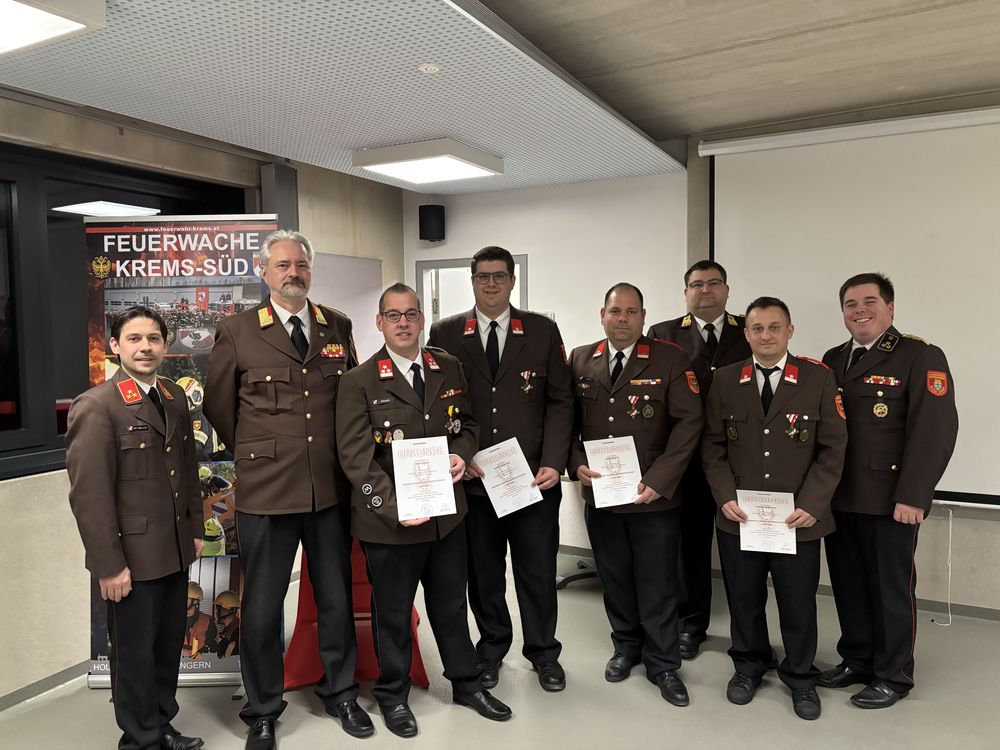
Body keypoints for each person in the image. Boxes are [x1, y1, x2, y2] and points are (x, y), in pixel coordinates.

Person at [204, 229, 371, 748]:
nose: (293, 272)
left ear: (310, 270)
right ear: (264, 271)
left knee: (335, 599)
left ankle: (340, 693)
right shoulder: (237, 331)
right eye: (283, 265)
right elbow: (218, 406)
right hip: (268, 491)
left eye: (301, 264)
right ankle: (263, 709)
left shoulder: (336, 325)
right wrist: (261, 449)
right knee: (261, 607)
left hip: (328, 489)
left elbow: (351, 399)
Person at [337, 283, 512, 738]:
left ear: (421, 320)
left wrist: (461, 454)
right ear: (379, 322)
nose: (403, 323)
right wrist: (394, 509)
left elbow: (467, 424)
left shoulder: (446, 367)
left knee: (452, 606)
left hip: (446, 517)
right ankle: (393, 695)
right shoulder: (358, 381)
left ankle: (467, 684)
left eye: (411, 314)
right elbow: (356, 459)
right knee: (393, 613)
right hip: (390, 524)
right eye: (393, 315)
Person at [427, 246, 573, 692]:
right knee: (484, 575)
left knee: (537, 572)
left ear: (512, 280)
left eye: (499, 276)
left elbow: (561, 401)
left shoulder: (542, 331)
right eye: (482, 276)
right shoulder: (446, 332)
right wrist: (461, 453)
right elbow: (439, 406)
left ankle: (543, 652)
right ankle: (491, 650)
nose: (491, 284)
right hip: (476, 482)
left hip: (532, 481)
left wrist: (554, 461)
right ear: (472, 281)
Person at [701, 297, 847, 720]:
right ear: (746, 334)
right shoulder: (726, 379)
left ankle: (800, 677)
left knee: (797, 601)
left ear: (790, 331)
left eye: (774, 327)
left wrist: (813, 504)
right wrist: (725, 496)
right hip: (741, 517)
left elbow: (833, 449)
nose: (766, 335)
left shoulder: (818, 378)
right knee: (744, 598)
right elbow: (712, 446)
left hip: (796, 520)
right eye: (757, 328)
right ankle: (748, 665)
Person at [66, 305, 204, 750]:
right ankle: (140, 739)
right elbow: (89, 497)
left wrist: (196, 530)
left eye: (153, 339)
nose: (145, 347)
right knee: (134, 654)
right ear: (115, 346)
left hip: (174, 548)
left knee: (166, 646)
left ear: (165, 345)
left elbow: (187, 469)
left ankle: (161, 725)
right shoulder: (97, 406)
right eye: (134, 339)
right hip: (131, 558)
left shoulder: (173, 395)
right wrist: (109, 566)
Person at [818, 273, 958, 708]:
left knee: (890, 591)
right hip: (839, 497)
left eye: (869, 302)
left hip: (890, 500)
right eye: (850, 304)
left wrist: (914, 495)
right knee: (848, 585)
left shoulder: (920, 355)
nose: (859, 310)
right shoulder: (832, 359)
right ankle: (857, 660)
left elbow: (935, 430)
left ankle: (893, 676)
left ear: (890, 308)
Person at [568, 282, 703, 707]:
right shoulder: (580, 359)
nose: (622, 319)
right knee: (615, 577)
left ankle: (662, 663)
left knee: (658, 581)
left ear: (643, 317)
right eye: (615, 311)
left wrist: (660, 480)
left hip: (653, 498)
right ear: (602, 315)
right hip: (602, 496)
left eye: (631, 312)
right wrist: (575, 463)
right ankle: (626, 646)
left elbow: (689, 424)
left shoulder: (670, 358)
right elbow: (566, 421)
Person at [646, 259, 751, 659]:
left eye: (713, 283)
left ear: (727, 289)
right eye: (697, 284)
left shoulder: (751, 330)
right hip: (687, 462)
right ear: (685, 292)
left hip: (739, 460)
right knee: (688, 548)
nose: (705, 290)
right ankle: (691, 624)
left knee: (743, 552)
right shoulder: (664, 334)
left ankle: (749, 637)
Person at [183, 582, 217, 659]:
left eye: (187, 598)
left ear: (195, 601)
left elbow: (212, 645)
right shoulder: (173, 620)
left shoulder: (207, 621)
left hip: (200, 663)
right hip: (178, 663)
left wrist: (202, 653)